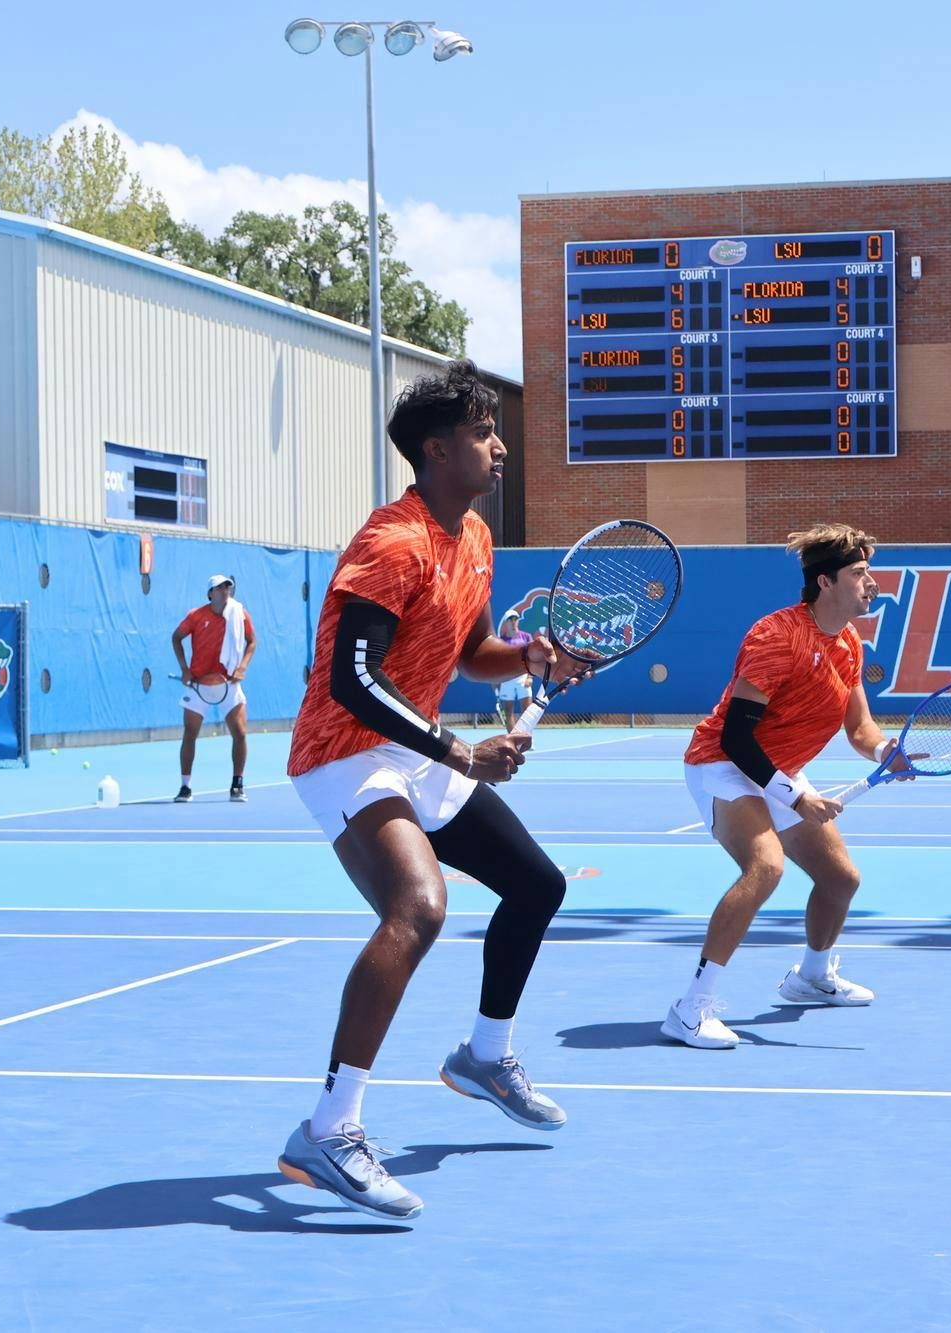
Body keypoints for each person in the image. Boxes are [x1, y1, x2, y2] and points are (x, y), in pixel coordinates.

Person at [277, 359, 588, 1220]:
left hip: (411, 748)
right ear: (438, 450)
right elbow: (352, 679)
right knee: (417, 907)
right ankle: (328, 1130)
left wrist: (530, 657)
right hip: (346, 749)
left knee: (537, 884)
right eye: (485, 433)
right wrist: (457, 749)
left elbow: (472, 653)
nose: (500, 446)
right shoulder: (392, 542)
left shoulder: (473, 539)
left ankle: (484, 1056)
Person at [663, 523, 911, 1050]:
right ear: (826, 582)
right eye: (859, 573)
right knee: (766, 867)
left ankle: (811, 977)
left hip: (780, 765)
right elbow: (735, 737)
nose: (872, 583)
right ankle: (690, 1009)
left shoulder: (848, 642)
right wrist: (795, 797)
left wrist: (884, 751)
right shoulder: (777, 637)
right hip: (722, 763)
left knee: (840, 879)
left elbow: (860, 729)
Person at [171, 574, 256, 803]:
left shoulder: (239, 614)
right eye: (219, 588)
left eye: (227, 587)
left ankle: (237, 785)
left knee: (240, 733)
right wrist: (184, 669)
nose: (225, 591)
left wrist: (242, 667)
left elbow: (252, 641)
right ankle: (185, 787)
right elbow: (176, 638)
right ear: (210, 594)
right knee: (190, 734)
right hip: (199, 686)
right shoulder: (196, 616)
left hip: (229, 685)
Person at [493, 611, 534, 729]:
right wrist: (495, 680)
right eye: (510, 620)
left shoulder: (526, 637)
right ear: (506, 622)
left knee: (527, 711)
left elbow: (532, 659)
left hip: (523, 678)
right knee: (508, 712)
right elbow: (497, 663)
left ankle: (525, 736)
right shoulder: (500, 641)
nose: (513, 622)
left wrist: (530, 677)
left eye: (515, 619)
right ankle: (512, 738)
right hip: (507, 679)